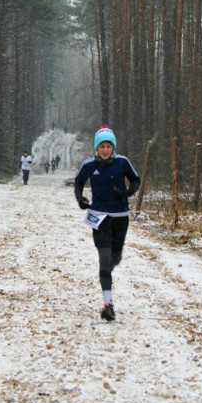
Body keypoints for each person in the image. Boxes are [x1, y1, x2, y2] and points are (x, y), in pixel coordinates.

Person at [74, 125, 140, 322]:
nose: (105, 150)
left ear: (113, 147)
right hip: (99, 217)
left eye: (108, 146)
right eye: (101, 146)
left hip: (121, 217)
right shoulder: (89, 165)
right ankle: (108, 304)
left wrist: (128, 193)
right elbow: (78, 183)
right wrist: (81, 200)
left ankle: (107, 271)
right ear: (97, 147)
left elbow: (135, 180)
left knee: (115, 258)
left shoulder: (122, 162)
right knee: (104, 258)